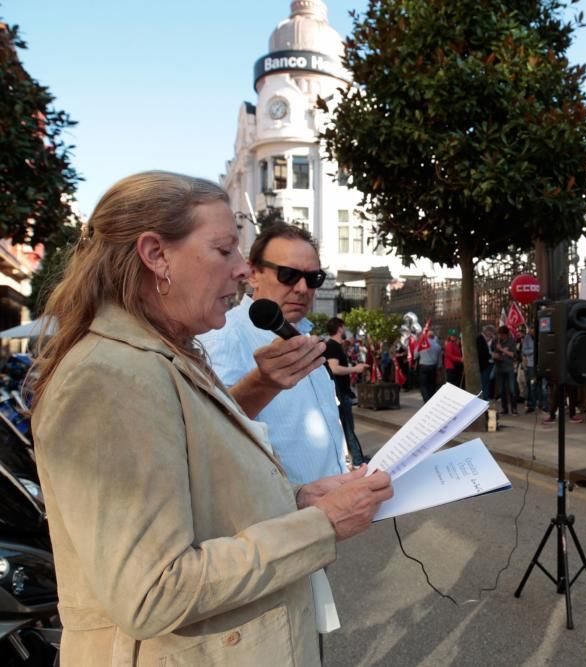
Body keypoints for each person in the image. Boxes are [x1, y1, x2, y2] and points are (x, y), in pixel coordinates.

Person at [28, 172, 392, 665]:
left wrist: (298, 498)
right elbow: (152, 591)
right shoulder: (109, 379)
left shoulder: (161, 357)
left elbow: (201, 492)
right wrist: (320, 524)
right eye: (225, 251)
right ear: (156, 255)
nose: (243, 271)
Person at [199, 222, 349, 484]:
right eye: (288, 274)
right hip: (280, 515)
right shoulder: (226, 333)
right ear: (253, 273)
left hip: (332, 508)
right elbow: (209, 428)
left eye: (313, 278)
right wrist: (262, 383)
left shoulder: (305, 335)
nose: (302, 288)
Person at [326, 317, 369, 468]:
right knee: (348, 428)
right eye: (343, 327)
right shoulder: (332, 346)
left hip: (342, 393)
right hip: (340, 394)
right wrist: (355, 369)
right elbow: (334, 368)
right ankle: (358, 460)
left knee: (346, 428)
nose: (345, 331)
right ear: (339, 328)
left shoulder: (336, 346)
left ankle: (354, 458)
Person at [493, 325, 518, 415]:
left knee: (512, 389)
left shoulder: (511, 341)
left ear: (506, 334)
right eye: (499, 334)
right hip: (499, 368)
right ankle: (504, 408)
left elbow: (513, 355)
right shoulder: (496, 341)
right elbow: (493, 353)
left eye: (502, 335)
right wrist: (495, 355)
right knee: (501, 390)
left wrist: (502, 350)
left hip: (508, 368)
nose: (500, 336)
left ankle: (514, 408)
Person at [414, 329, 443, 402]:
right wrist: (439, 370)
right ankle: (431, 400)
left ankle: (426, 400)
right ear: (433, 337)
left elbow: (415, 355)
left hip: (423, 366)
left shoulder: (421, 344)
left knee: (424, 385)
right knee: (432, 385)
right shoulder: (437, 346)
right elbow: (439, 360)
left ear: (426, 336)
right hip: (433, 366)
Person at [518, 323, 539, 413]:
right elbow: (524, 351)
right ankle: (531, 404)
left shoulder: (541, 336)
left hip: (540, 364)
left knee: (541, 385)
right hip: (530, 364)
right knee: (530, 385)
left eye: (533, 328)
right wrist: (534, 350)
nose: (532, 330)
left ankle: (543, 404)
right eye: (531, 329)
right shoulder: (527, 338)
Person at [476, 324, 496, 398]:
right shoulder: (480, 339)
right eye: (491, 332)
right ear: (487, 331)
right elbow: (482, 352)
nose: (491, 334)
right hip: (484, 365)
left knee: (486, 383)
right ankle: (484, 400)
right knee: (485, 384)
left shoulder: (483, 339)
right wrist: (491, 355)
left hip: (485, 365)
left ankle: (485, 399)